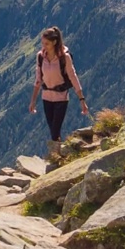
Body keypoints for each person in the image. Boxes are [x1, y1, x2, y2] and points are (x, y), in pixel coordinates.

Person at [29, 26, 88, 162]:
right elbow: (38, 80)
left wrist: (82, 99)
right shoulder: (40, 57)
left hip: (61, 98)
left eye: (46, 44)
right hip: (46, 97)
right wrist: (33, 101)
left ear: (55, 42)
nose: (44, 46)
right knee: (53, 130)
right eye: (42, 43)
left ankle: (55, 158)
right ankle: (60, 155)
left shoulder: (64, 57)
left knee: (55, 129)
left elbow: (73, 77)